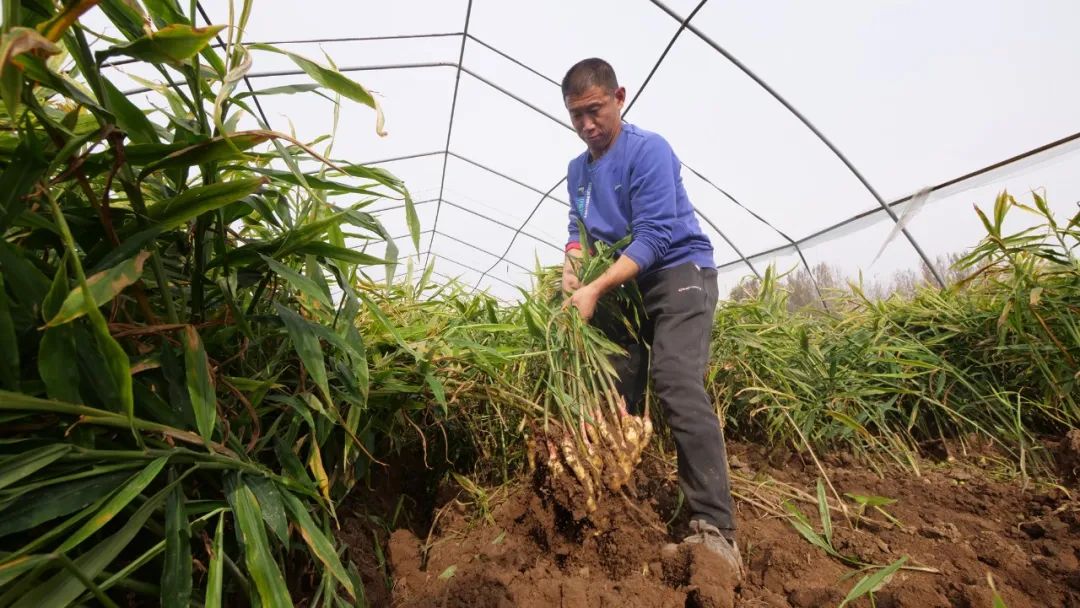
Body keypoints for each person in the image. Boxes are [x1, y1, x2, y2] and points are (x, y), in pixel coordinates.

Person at [559, 58, 742, 576]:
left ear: (619, 97)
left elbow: (657, 237)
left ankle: (715, 529)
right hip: (628, 283)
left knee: (674, 379)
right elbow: (577, 234)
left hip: (679, 271)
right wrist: (571, 275)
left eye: (595, 110)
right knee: (618, 383)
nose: (588, 125)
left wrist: (595, 285)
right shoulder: (578, 171)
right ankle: (619, 498)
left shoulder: (648, 150)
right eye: (577, 116)